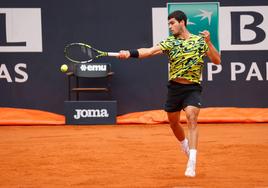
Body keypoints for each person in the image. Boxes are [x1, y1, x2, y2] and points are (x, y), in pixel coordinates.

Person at [118, 10, 221, 177]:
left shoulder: (200, 42)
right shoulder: (170, 42)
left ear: (182, 22)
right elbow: (149, 51)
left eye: (172, 23)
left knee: (191, 118)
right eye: (169, 24)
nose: (170, 26)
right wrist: (129, 53)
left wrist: (209, 43)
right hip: (174, 89)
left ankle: (192, 162)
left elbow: (217, 61)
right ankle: (184, 145)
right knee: (173, 123)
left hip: (193, 88)